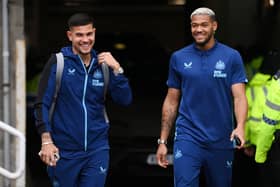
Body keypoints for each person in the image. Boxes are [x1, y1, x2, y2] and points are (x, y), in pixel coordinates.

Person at [34, 13, 132, 187]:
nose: (85, 40)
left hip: (97, 149)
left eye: (89, 34)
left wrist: (117, 69)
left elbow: (125, 100)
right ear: (70, 35)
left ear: (94, 33)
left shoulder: (103, 65)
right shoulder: (58, 62)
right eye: (79, 35)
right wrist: (46, 140)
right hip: (64, 151)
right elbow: (42, 104)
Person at [156, 7, 248, 187]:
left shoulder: (231, 57)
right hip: (188, 137)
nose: (198, 29)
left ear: (214, 26)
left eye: (204, 25)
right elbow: (171, 101)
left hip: (222, 137)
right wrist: (162, 140)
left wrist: (240, 126)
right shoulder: (178, 57)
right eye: (194, 26)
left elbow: (239, 97)